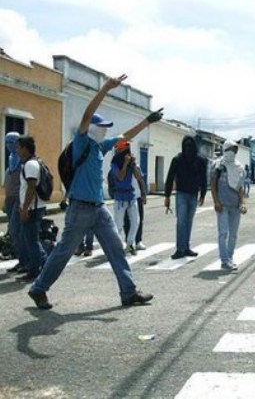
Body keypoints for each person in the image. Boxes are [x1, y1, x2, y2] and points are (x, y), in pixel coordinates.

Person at [28, 74, 163, 310]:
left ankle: (129, 292)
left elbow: (125, 136)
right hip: (79, 208)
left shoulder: (100, 147)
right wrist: (105, 89)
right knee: (62, 253)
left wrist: (147, 121)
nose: (104, 130)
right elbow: (87, 115)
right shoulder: (82, 142)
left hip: (99, 208)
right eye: (101, 127)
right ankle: (39, 289)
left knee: (116, 249)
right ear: (91, 128)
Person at [164, 135, 208, 259]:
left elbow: (204, 179)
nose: (188, 148)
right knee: (181, 221)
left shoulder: (200, 161)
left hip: (193, 194)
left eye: (190, 146)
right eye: (186, 146)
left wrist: (203, 194)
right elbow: (170, 177)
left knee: (188, 222)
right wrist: (167, 196)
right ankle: (180, 249)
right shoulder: (177, 159)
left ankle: (186, 247)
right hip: (181, 194)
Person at [15, 135, 48, 282]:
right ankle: (45, 263)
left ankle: (34, 272)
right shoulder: (33, 163)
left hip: (33, 209)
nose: (17, 150)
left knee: (32, 241)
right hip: (34, 207)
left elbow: (30, 188)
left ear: (24, 148)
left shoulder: (30, 165)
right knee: (30, 238)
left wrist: (25, 208)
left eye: (18, 147)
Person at [211, 139, 247, 270]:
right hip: (222, 205)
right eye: (231, 149)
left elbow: (240, 187)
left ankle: (230, 257)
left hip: (235, 206)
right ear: (225, 149)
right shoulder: (217, 165)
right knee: (223, 233)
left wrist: (243, 203)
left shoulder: (239, 167)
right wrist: (216, 201)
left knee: (233, 234)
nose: (233, 152)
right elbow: (213, 184)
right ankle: (224, 260)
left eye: (235, 150)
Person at [110, 140, 139, 255]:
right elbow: (121, 177)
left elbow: (137, 176)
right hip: (120, 197)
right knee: (118, 224)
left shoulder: (131, 162)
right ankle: (118, 246)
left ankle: (130, 243)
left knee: (135, 221)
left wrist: (133, 165)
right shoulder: (115, 163)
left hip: (131, 196)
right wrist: (125, 164)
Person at [3, 132, 23, 273]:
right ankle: (20, 259)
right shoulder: (11, 159)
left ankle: (25, 260)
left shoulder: (23, 160)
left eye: (12, 142)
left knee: (17, 231)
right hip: (10, 199)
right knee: (13, 230)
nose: (9, 145)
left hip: (19, 199)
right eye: (7, 142)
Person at [124, 158, 147, 251]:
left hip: (137, 196)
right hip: (125, 197)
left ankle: (138, 241)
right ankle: (129, 241)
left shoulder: (136, 167)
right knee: (127, 220)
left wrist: (143, 194)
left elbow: (140, 180)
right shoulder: (120, 166)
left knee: (139, 219)